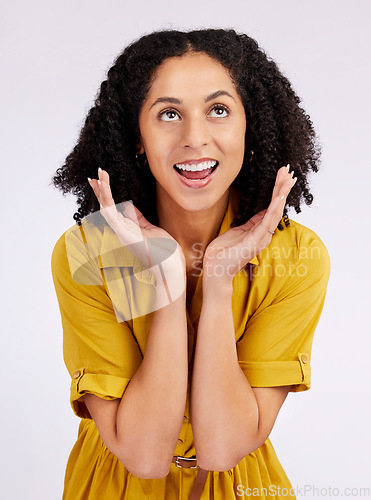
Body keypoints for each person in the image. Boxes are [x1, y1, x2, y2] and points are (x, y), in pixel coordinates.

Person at [51, 28, 330, 500]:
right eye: (169, 114)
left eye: (218, 110)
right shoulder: (91, 253)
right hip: (113, 486)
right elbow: (143, 454)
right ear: (136, 137)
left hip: (243, 486)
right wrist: (166, 283)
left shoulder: (294, 256)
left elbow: (222, 449)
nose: (195, 138)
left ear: (251, 127)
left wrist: (219, 281)